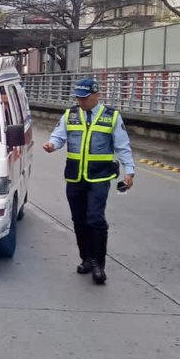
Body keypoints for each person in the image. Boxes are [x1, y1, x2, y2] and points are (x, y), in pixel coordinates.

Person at [43, 78, 135, 285]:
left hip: (99, 176)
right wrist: (52, 144)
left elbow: (122, 146)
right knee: (79, 219)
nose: (81, 101)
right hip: (75, 176)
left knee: (95, 219)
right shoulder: (71, 114)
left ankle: (98, 264)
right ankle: (85, 258)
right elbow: (59, 136)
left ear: (96, 96)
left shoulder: (112, 117)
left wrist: (129, 171)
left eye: (85, 98)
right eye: (78, 97)